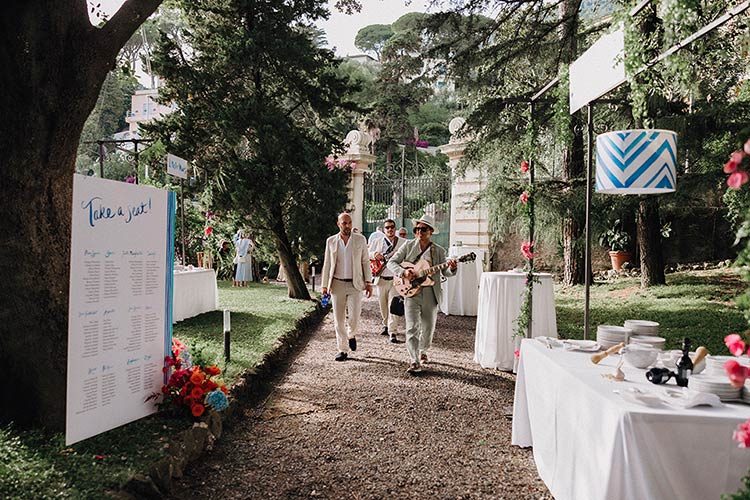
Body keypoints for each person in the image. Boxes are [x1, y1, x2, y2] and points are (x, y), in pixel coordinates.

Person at [387, 214, 457, 374]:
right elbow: (391, 262)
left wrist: (452, 267)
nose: (419, 231)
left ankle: (423, 349)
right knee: (412, 327)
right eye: (417, 229)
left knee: (428, 327)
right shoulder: (407, 246)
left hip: (431, 292)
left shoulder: (439, 251)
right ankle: (414, 360)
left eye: (423, 229)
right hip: (411, 292)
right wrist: (404, 272)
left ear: (431, 231)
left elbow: (445, 271)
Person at [321, 213, 373, 361]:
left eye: (349, 223)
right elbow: (327, 264)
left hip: (355, 284)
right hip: (336, 284)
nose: (348, 226)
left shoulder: (360, 239)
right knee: (338, 319)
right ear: (338, 224)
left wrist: (369, 283)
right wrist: (325, 285)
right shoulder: (331, 241)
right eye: (344, 223)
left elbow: (365, 262)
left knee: (355, 316)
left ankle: (352, 334)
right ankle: (342, 349)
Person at [369, 219, 406, 343]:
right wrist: (374, 254)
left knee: (393, 305)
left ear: (395, 229)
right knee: (383, 305)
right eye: (387, 227)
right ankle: (385, 324)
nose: (390, 229)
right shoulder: (377, 241)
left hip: (396, 280)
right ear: (384, 230)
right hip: (381, 278)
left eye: (392, 227)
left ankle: (393, 332)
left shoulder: (403, 242)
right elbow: (366, 253)